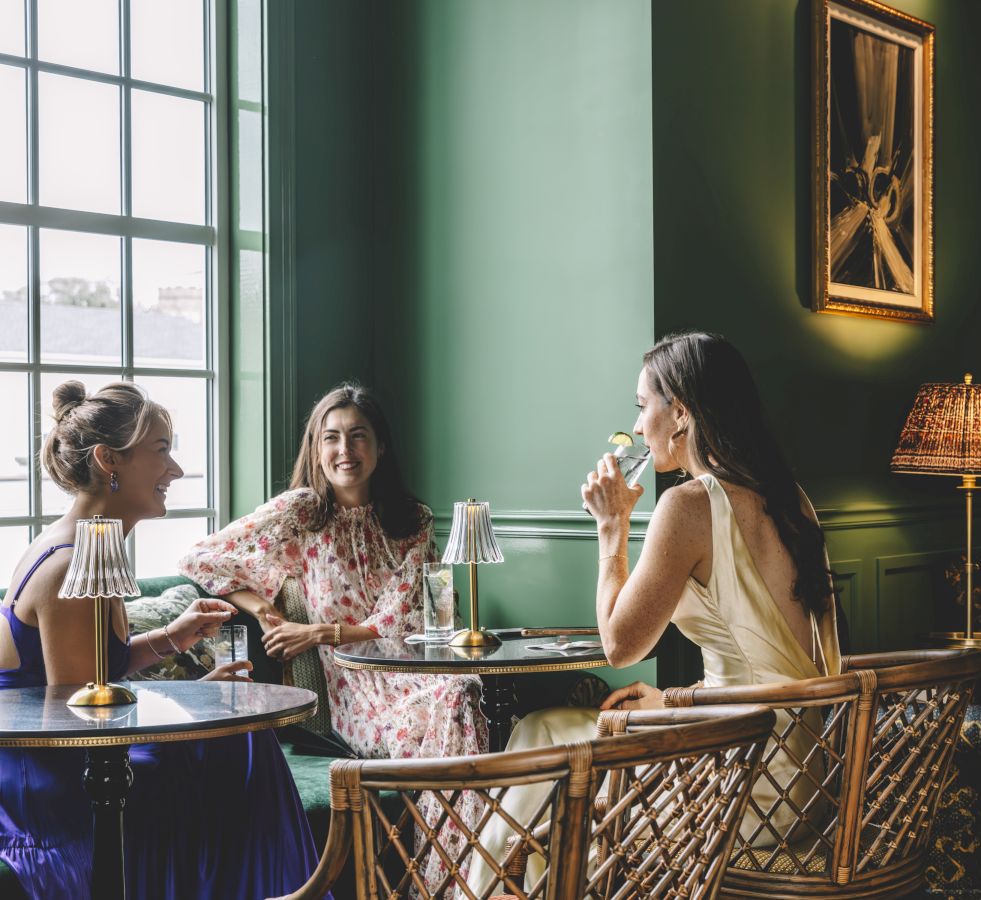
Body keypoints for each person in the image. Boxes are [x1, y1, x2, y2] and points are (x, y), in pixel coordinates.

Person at [467, 332, 842, 895]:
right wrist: (672, 702)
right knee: (550, 734)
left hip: (746, 784)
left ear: (682, 412)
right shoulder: (792, 498)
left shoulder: (689, 504)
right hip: (808, 772)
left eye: (643, 407)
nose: (639, 427)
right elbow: (773, 661)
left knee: (541, 735)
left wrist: (611, 528)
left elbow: (620, 646)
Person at [0, 381, 323, 900]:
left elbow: (97, 671)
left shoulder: (90, 544)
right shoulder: (67, 565)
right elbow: (82, 719)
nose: (174, 470)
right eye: (161, 451)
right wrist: (195, 705)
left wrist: (171, 638)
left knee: (237, 739)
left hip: (77, 756)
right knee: (237, 746)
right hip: (52, 784)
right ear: (110, 460)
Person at [179, 382, 487, 887]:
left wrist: (317, 631)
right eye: (332, 437)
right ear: (316, 448)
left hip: (411, 670)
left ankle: (442, 881)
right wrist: (261, 608)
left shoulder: (414, 520)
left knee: (460, 692)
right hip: (354, 690)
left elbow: (400, 619)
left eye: (358, 436)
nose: (345, 451)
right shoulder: (301, 513)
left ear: (380, 446)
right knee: (458, 701)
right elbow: (202, 556)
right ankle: (455, 884)